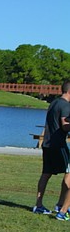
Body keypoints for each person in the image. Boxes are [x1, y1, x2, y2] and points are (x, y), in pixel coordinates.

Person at [32, 80, 70, 219]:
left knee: (46, 174)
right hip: (58, 145)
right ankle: (62, 207)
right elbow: (65, 126)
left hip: (47, 143)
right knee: (68, 173)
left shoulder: (54, 103)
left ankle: (39, 205)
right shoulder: (65, 105)